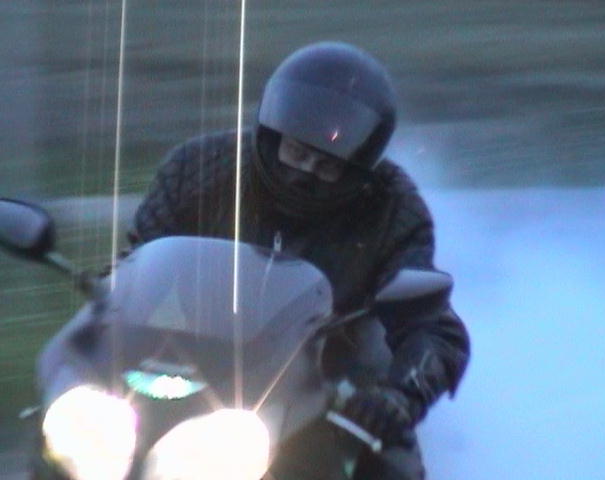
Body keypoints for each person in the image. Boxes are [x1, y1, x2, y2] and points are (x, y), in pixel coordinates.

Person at [128, 41, 470, 480]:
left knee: (390, 463)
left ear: (357, 169)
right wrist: (109, 313)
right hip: (192, 365)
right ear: (271, 136)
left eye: (326, 166)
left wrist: (397, 399)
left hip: (329, 387)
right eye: (297, 153)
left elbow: (433, 326)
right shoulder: (197, 169)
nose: (304, 172)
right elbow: (135, 268)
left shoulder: (394, 209)